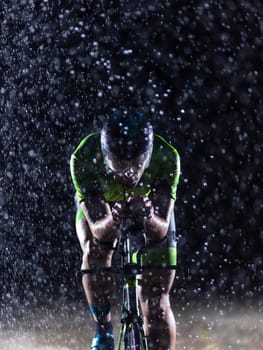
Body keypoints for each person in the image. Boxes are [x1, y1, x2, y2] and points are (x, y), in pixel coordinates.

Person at [70, 110, 180, 350]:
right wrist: (114, 219)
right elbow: (99, 230)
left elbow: (160, 229)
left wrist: (149, 216)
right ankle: (104, 327)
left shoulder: (167, 157)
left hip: (147, 208)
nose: (129, 172)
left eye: (138, 164)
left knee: (157, 305)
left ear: (148, 156)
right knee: (94, 251)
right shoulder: (84, 156)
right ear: (106, 155)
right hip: (105, 208)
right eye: (120, 164)